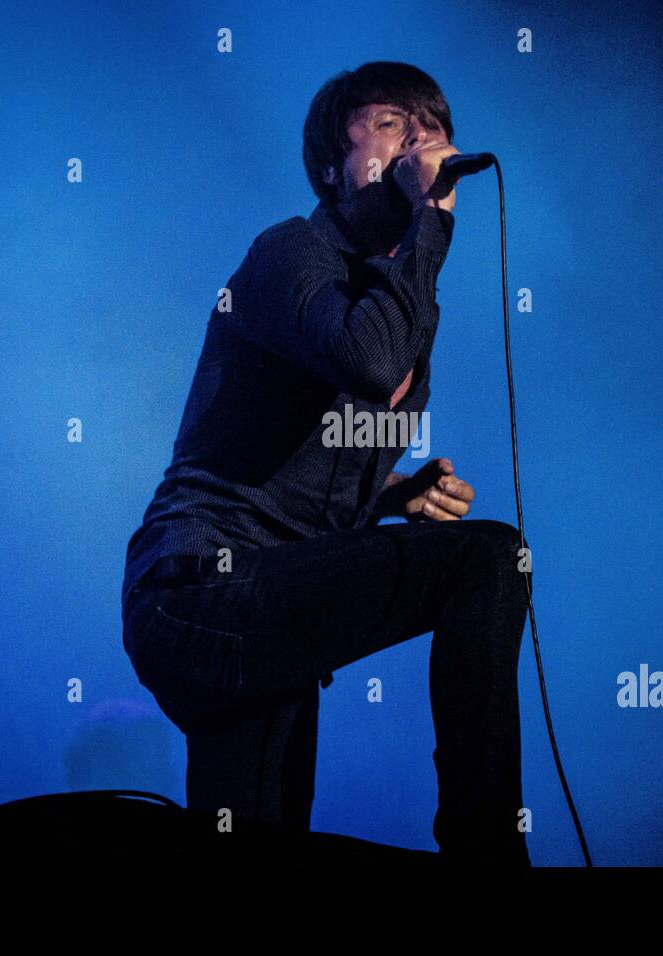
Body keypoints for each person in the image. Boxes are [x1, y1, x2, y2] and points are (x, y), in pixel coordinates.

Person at [121, 61, 532, 867]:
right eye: (388, 121)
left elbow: (308, 455)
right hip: (199, 588)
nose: (418, 135)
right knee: (486, 557)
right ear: (331, 168)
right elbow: (369, 362)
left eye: (427, 122)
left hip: (272, 602)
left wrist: (392, 494)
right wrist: (432, 221)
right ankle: (488, 855)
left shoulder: (406, 301)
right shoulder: (289, 251)